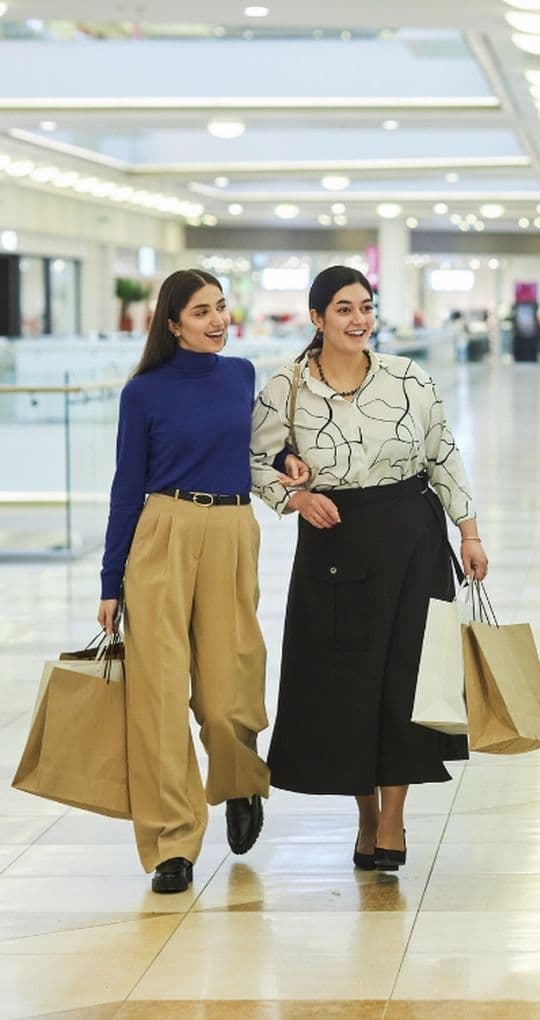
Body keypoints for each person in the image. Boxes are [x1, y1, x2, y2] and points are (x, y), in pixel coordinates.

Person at [250, 265, 489, 872]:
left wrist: (470, 532)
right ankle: (364, 814)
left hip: (411, 537)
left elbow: (443, 454)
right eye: (344, 310)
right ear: (317, 318)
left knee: (407, 678)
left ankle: (392, 820)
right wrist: (295, 498)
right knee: (348, 683)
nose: (359, 320)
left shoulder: (409, 378)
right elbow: (255, 460)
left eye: (366, 307)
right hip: (335, 541)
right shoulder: (287, 385)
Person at [97, 268, 303, 894]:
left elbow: (260, 448)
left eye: (220, 307)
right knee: (158, 695)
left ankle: (239, 781)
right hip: (162, 531)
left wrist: (286, 458)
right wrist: (112, 582)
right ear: (172, 323)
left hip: (232, 530)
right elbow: (126, 488)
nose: (217, 320)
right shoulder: (144, 393)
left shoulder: (241, 374)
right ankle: (172, 843)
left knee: (227, 682)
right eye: (201, 312)